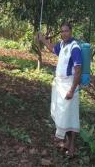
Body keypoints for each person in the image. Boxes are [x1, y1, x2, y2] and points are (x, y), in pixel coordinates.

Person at [38, 21, 82, 157]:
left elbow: (78, 70)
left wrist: (72, 89)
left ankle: (72, 147)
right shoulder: (62, 44)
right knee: (62, 114)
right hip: (59, 84)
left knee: (71, 116)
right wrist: (42, 39)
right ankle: (65, 142)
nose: (64, 33)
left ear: (71, 32)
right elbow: (52, 48)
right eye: (62, 31)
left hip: (69, 85)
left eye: (66, 31)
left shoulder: (75, 47)